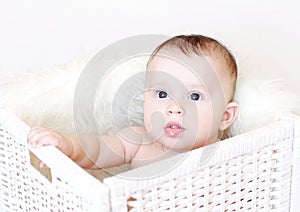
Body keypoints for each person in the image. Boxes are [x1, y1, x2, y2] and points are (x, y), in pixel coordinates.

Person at [27, 34, 239, 170]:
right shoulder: (138, 142)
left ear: (225, 117)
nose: (174, 108)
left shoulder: (228, 156)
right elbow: (97, 149)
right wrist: (67, 145)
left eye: (194, 96)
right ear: (145, 101)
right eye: (162, 94)